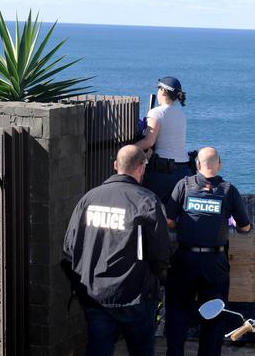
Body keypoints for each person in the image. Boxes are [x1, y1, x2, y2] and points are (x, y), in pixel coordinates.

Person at [61, 145, 171, 356]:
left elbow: (69, 248)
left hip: (96, 294)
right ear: (142, 168)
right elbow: (161, 253)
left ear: (115, 166)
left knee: (98, 349)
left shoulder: (89, 199)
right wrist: (156, 282)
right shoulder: (146, 201)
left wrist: (82, 286)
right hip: (136, 295)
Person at [164, 147, 252, 356]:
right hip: (214, 262)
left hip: (185, 259)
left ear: (198, 165)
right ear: (219, 164)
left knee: (177, 311)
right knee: (214, 314)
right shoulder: (228, 190)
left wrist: (183, 226)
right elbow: (245, 227)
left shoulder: (184, 185)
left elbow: (169, 220)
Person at [136, 76, 191, 204]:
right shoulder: (181, 114)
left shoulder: (156, 112)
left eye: (159, 88)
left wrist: (128, 149)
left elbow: (149, 142)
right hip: (183, 170)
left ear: (163, 91)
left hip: (162, 172)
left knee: (150, 208)